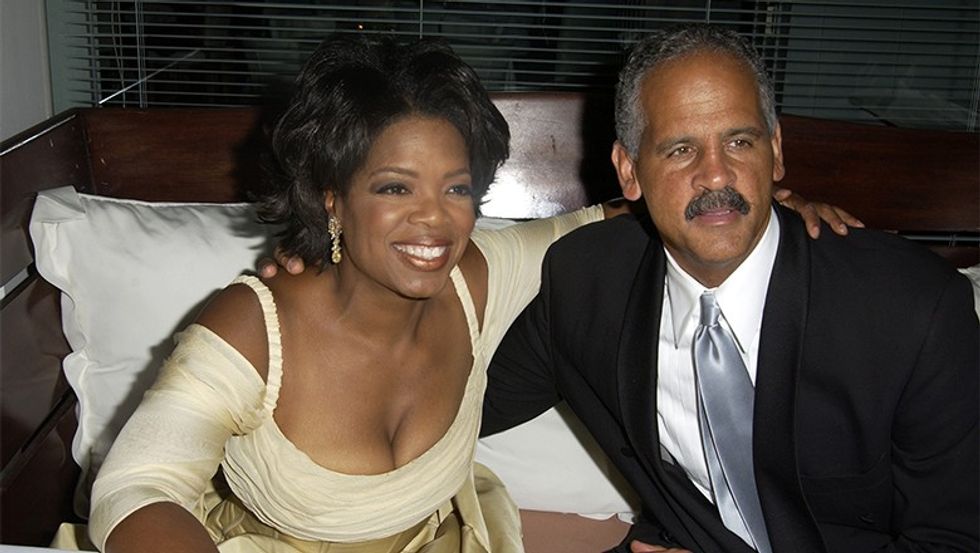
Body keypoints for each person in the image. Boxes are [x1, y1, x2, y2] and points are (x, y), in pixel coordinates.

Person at [106, 31, 856, 553]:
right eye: (394, 187)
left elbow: (618, 216)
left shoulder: (477, 279)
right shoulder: (252, 326)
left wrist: (758, 208)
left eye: (457, 187)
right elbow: (138, 488)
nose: (435, 219)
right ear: (331, 197)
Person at [480, 23, 979, 553]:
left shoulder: (915, 309)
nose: (716, 176)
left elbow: (956, 540)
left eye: (740, 142)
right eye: (680, 150)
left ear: (776, 151)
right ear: (629, 171)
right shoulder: (586, 281)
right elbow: (468, 408)